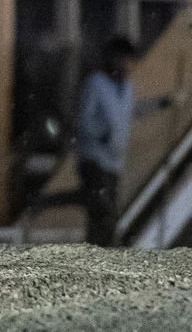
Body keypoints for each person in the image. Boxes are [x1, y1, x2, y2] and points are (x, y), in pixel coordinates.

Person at [75, 37, 140, 246]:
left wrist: (163, 103)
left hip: (114, 164)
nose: (125, 65)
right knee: (103, 214)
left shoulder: (127, 88)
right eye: (122, 60)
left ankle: (102, 255)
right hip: (95, 160)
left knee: (104, 215)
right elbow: (84, 121)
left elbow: (131, 114)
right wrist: (103, 135)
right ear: (112, 59)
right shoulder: (96, 83)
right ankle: (102, 259)